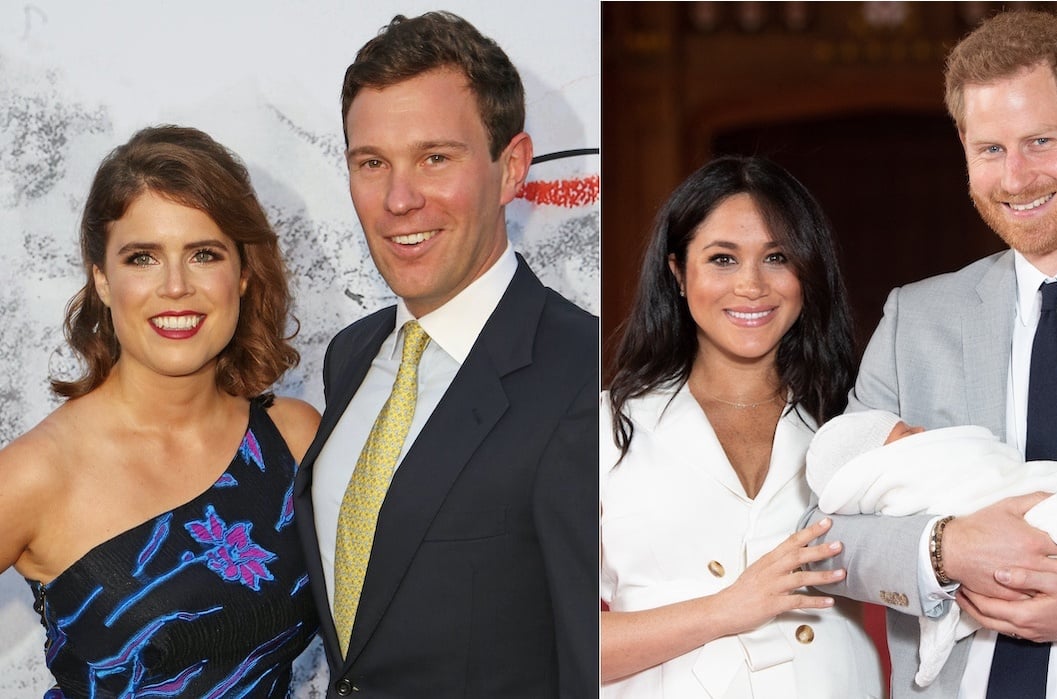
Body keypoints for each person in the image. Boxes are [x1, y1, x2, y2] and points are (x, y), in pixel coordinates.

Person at [802, 9, 1057, 699]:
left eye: (1040, 141)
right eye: (989, 150)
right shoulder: (915, 320)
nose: (1015, 178)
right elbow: (826, 531)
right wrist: (944, 548)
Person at [292, 11, 598, 697]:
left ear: (512, 166)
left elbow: (588, 657)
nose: (399, 199)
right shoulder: (352, 353)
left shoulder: (583, 374)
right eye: (372, 163)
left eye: (436, 157)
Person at [0, 125, 321, 697]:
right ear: (102, 277)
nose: (175, 287)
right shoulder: (37, 474)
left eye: (203, 254)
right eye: (143, 257)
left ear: (243, 274)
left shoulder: (292, 438)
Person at [601, 155, 882, 697]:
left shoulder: (855, 422)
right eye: (723, 259)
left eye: (777, 257)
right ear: (678, 273)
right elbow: (549, 644)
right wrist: (727, 609)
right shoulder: (604, 428)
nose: (752, 286)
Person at [807, 410, 1057, 694]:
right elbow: (820, 535)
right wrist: (946, 549)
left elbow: (998, 470)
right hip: (968, 678)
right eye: (909, 433)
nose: (925, 430)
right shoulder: (904, 322)